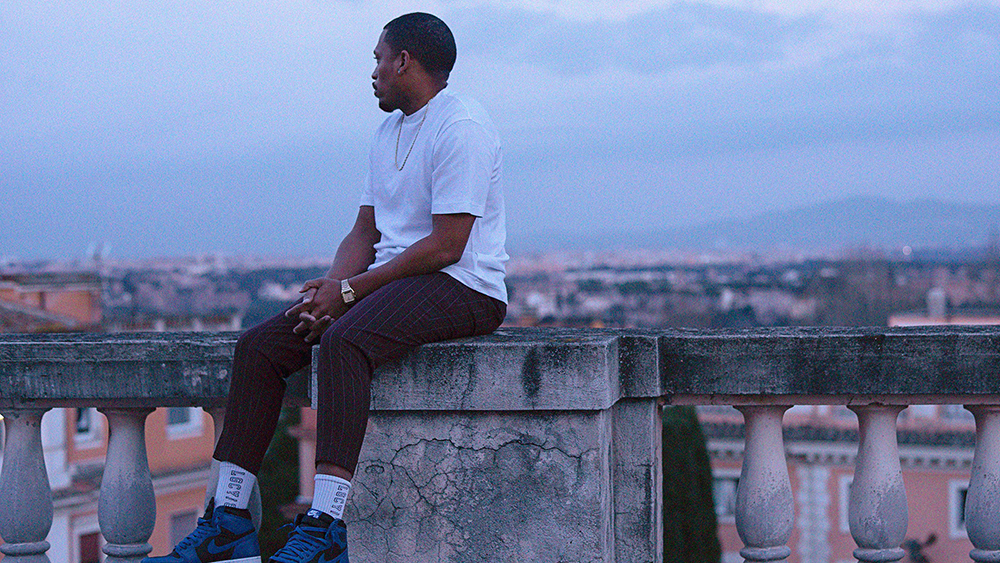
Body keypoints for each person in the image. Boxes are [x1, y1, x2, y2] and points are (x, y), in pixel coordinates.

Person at [144, 12, 507, 563]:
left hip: (465, 286)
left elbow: (446, 246)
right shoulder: (389, 131)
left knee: (345, 342)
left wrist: (351, 295)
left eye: (379, 59)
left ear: (404, 61)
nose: (375, 71)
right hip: (394, 281)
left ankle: (325, 528)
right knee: (260, 347)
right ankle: (230, 522)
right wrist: (333, 288)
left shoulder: (462, 128)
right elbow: (365, 230)